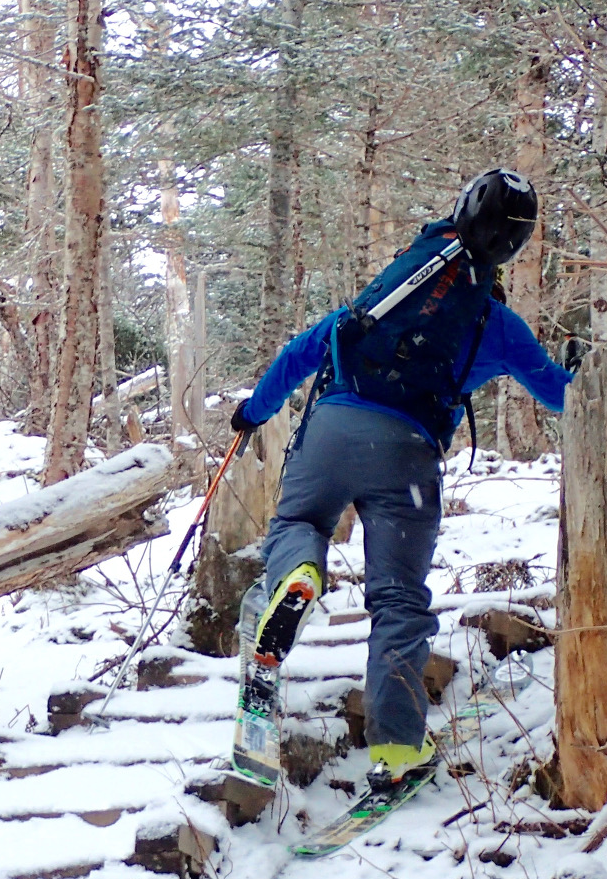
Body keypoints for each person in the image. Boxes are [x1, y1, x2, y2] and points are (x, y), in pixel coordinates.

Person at [229, 169, 581, 793]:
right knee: (398, 601)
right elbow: (561, 395)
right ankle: (395, 748)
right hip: (408, 457)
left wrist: (251, 414)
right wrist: (580, 371)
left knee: (300, 522)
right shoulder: (496, 324)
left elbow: (300, 353)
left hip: (332, 430)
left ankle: (298, 575)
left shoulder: (387, 294)